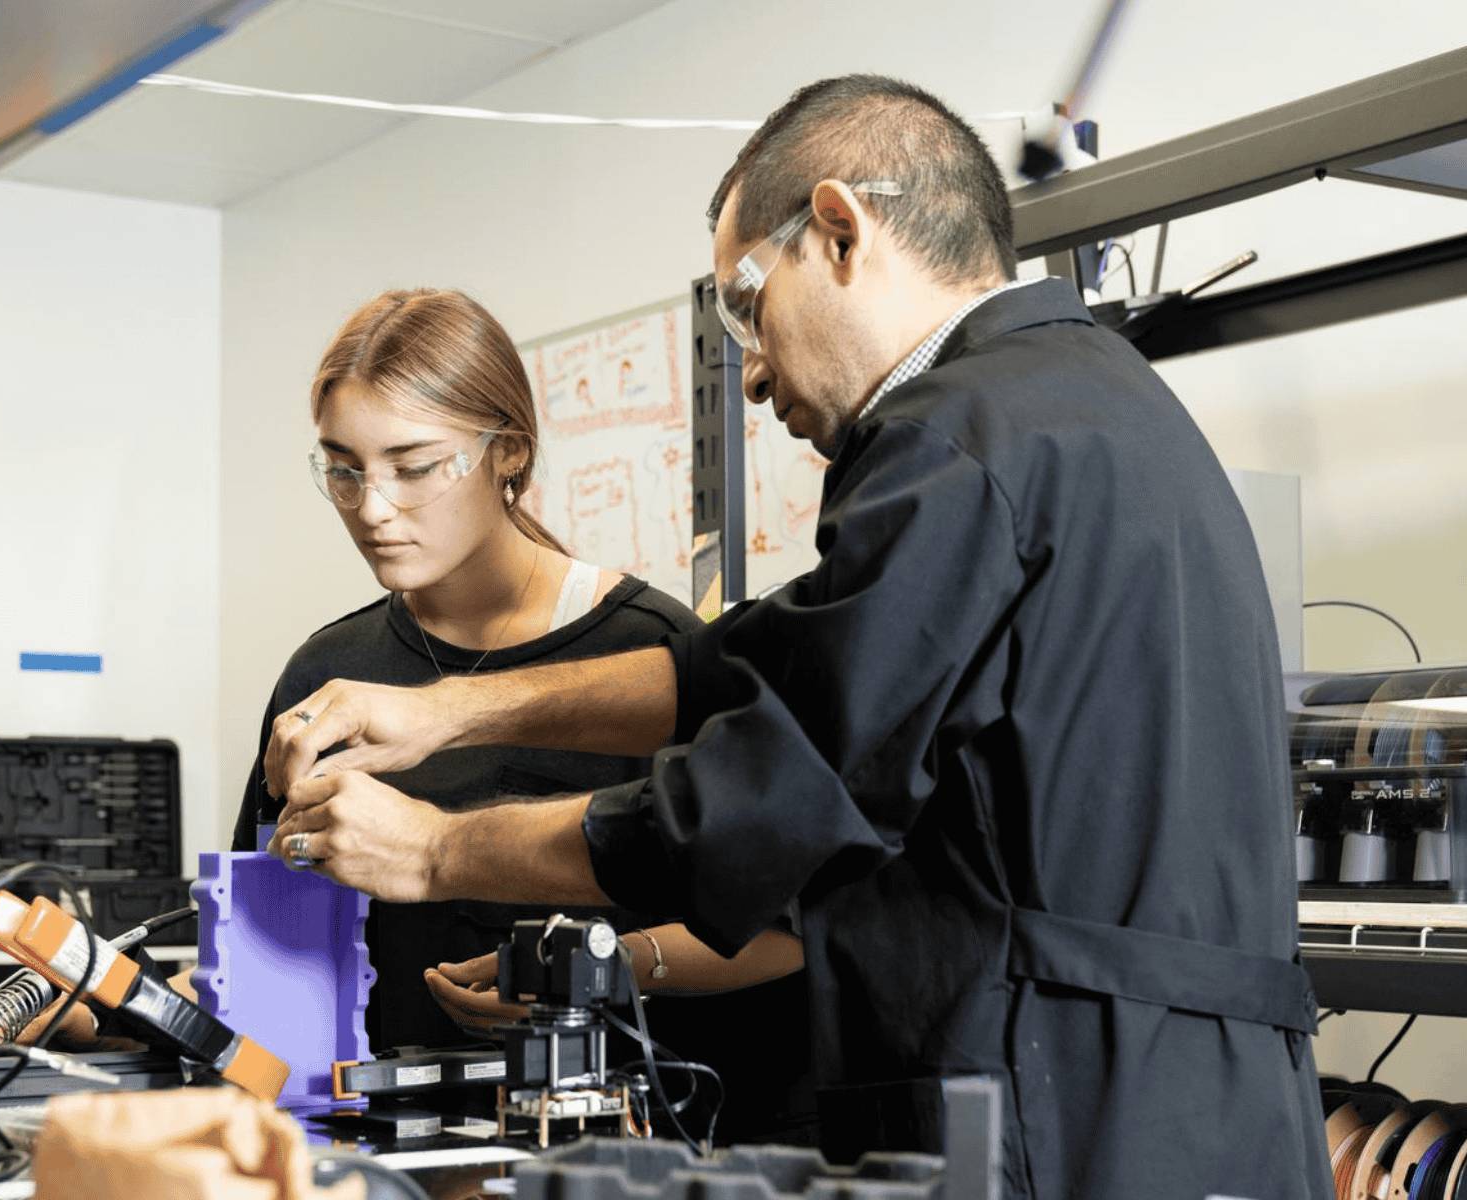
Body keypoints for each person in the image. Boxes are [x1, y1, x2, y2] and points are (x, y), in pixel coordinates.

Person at [261, 79, 1330, 1198]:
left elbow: (750, 812)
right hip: (1191, 1106)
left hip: (1068, 1109)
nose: (755, 370)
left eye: (744, 308)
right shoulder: (1079, 407)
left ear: (838, 230)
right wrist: (452, 709)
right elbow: (767, 663)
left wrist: (434, 851)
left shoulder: (956, 447)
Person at [234, 287, 816, 1144]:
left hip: (615, 1155)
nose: (373, 506)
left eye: (414, 465)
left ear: (508, 452)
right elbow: (261, 941)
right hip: (388, 1151)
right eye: (344, 467)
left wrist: (596, 977)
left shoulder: (650, 657)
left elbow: (787, 931)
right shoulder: (328, 674)